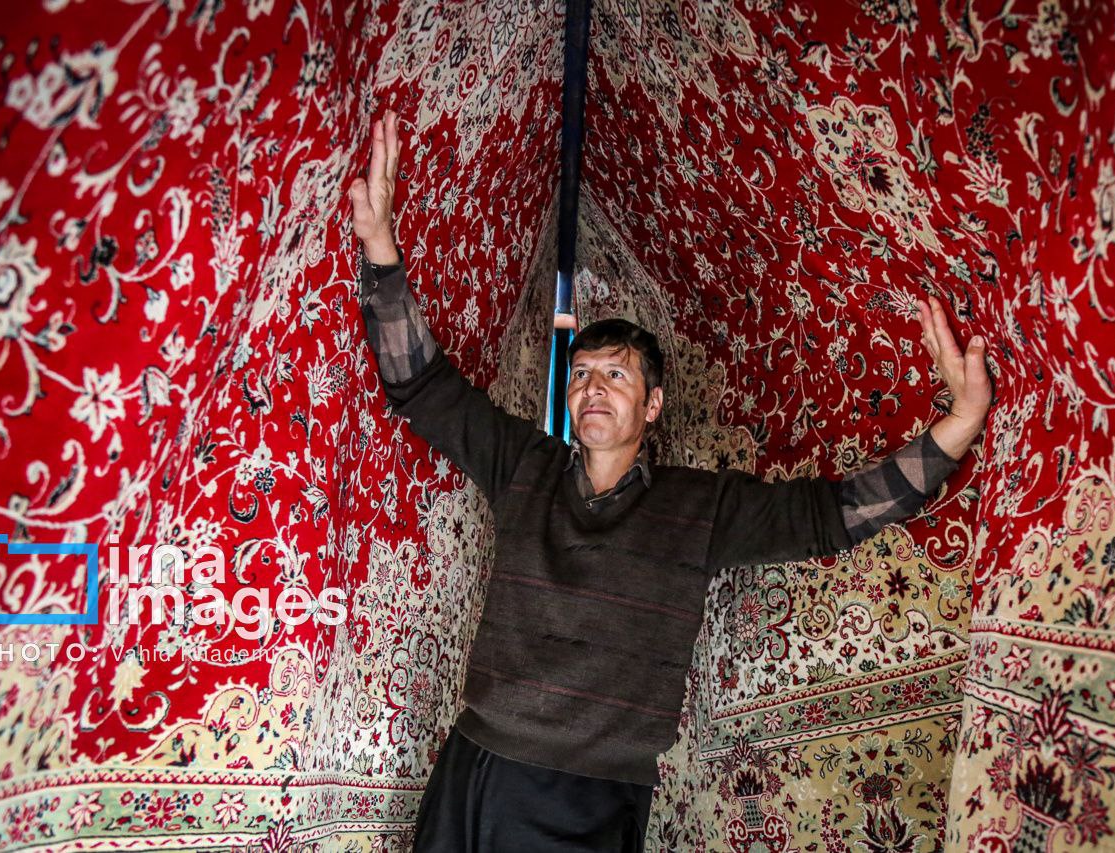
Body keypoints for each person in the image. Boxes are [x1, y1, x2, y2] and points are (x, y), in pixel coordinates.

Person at [348, 110, 991, 852]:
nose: (593, 387)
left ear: (651, 406)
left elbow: (833, 514)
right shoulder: (525, 465)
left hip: (587, 796)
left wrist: (960, 424)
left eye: (616, 375)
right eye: (582, 375)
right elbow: (424, 389)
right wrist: (380, 246)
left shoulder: (699, 507)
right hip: (473, 764)